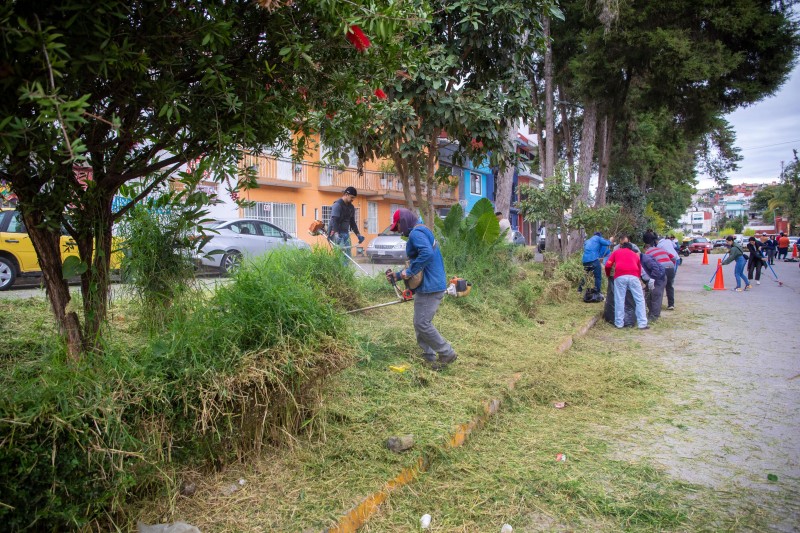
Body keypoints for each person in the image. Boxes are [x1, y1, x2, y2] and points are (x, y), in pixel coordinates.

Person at [386, 208, 457, 369]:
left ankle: (446, 352)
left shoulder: (416, 234)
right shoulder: (421, 230)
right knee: (419, 321)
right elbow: (418, 261)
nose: (399, 230)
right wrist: (398, 276)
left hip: (430, 286)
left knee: (422, 323)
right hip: (429, 284)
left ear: (403, 221)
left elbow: (426, 254)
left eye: (398, 226)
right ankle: (428, 356)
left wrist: (410, 271)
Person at [605, 239, 649, 330]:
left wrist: (608, 274)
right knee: (639, 300)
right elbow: (639, 268)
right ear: (631, 248)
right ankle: (642, 324)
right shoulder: (634, 254)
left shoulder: (616, 252)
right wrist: (637, 278)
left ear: (621, 247)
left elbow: (608, 265)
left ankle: (619, 324)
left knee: (619, 299)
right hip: (634, 277)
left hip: (620, 276)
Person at [328, 186, 364, 263]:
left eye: (354, 198)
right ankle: (339, 270)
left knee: (347, 256)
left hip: (345, 233)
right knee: (341, 256)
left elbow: (352, 222)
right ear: (346, 194)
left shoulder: (351, 207)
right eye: (352, 197)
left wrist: (358, 235)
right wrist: (336, 235)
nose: (353, 199)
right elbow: (335, 221)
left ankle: (345, 270)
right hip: (337, 233)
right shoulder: (337, 205)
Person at [645, 241, 676, 311]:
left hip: (661, 268)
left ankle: (658, 306)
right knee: (669, 286)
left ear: (645, 248)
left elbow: (649, 264)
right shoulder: (662, 250)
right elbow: (673, 258)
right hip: (670, 267)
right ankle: (671, 305)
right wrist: (671, 265)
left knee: (659, 287)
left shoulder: (647, 252)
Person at [640, 244, 666, 321]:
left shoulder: (646, 259)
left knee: (656, 296)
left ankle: (654, 316)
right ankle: (651, 313)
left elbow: (656, 269)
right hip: (648, 279)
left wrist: (653, 279)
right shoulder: (637, 260)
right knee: (648, 297)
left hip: (658, 278)